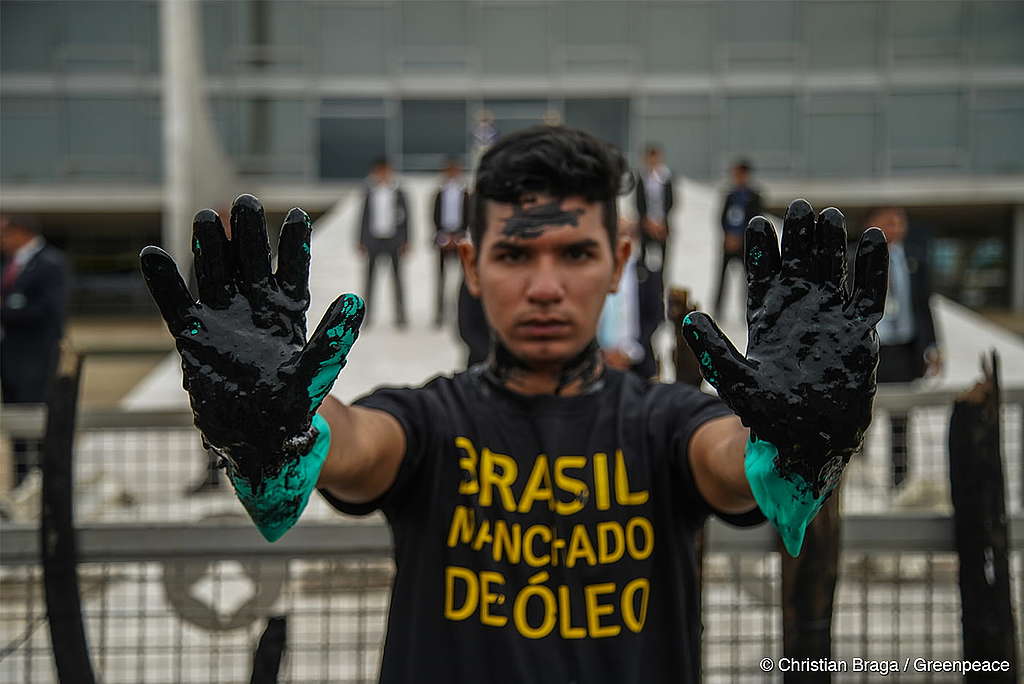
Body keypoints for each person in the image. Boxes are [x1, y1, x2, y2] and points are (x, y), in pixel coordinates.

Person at [140, 126, 889, 683]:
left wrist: (794, 443)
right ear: (470, 265)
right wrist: (279, 428)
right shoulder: (432, 422)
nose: (544, 287)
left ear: (620, 262)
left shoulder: (664, 423)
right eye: (513, 254)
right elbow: (357, 443)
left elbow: (730, 461)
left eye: (575, 253)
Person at [866, 206, 941, 489]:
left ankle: (899, 478)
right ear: (872, 225)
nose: (895, 228)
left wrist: (932, 347)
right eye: (888, 222)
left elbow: (924, 306)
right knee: (864, 412)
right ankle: (858, 469)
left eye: (900, 223)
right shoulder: (857, 260)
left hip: (904, 348)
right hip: (872, 350)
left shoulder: (914, 260)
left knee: (901, 415)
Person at [1, 215, 69, 488]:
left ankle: (44, 485)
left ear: (21, 232)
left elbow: (48, 312)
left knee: (37, 422)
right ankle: (22, 483)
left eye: (5, 233)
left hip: (35, 359)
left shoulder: (50, 264)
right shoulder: (11, 264)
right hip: (11, 359)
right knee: (17, 424)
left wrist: (6, 310)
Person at [597, 219, 661, 379]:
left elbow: (655, 315)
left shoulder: (647, 274)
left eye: (628, 233)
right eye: (617, 234)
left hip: (637, 362)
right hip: (598, 360)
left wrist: (629, 351)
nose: (623, 239)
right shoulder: (594, 272)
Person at [359, 158, 409, 328]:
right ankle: (366, 316)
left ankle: (401, 315)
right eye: (379, 171)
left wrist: (406, 241)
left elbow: (406, 219)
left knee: (397, 279)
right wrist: (361, 240)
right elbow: (363, 217)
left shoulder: (399, 192)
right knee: (370, 280)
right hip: (374, 240)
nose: (382, 174)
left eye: (385, 171)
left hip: (393, 240)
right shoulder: (369, 192)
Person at [714, 159, 762, 319]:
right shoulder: (730, 195)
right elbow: (722, 218)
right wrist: (728, 236)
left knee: (747, 280)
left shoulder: (754, 196)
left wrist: (742, 238)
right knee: (722, 279)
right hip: (729, 242)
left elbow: (756, 219)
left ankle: (747, 310)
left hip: (744, 245)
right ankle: (718, 309)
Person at [432, 158, 470, 328]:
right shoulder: (440, 193)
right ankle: (440, 313)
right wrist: (442, 236)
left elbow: (468, 216)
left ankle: (462, 312)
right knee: (441, 278)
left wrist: (460, 236)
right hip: (443, 237)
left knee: (464, 278)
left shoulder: (465, 193)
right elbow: (434, 216)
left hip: (460, 237)